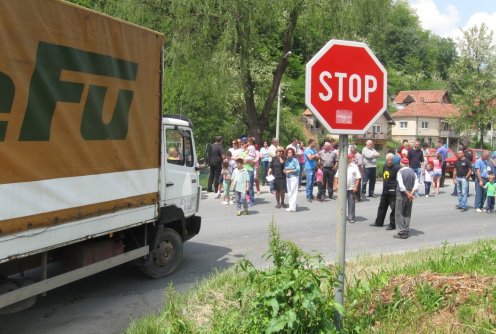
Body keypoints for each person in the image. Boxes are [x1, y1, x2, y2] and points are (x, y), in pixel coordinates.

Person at [371, 153, 400, 229]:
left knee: (393, 208)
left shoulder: (397, 168)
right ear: (386, 160)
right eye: (388, 160)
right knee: (382, 207)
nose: (389, 161)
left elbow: (399, 180)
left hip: (393, 191)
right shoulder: (385, 166)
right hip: (385, 190)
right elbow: (385, 178)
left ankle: (392, 224)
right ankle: (379, 222)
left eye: (391, 160)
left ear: (393, 160)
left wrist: (395, 188)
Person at [394, 158, 419, 239]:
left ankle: (401, 231)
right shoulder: (413, 173)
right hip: (410, 196)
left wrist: (407, 193)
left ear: (401, 163)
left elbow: (401, 185)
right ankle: (406, 230)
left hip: (401, 195)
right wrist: (411, 193)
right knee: (407, 213)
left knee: (399, 213)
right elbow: (416, 185)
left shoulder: (400, 172)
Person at [333, 154, 361, 223]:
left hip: (351, 188)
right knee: (341, 203)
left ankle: (351, 217)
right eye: (346, 158)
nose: (347, 159)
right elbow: (336, 177)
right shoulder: (342, 165)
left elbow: (358, 178)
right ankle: (341, 217)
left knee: (351, 203)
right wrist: (335, 186)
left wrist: (356, 186)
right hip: (342, 188)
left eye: (348, 158)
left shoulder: (354, 166)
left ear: (351, 159)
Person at [284, 147, 300, 212]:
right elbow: (285, 168)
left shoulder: (295, 160)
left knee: (293, 192)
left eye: (290, 152)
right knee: (289, 193)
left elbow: (298, 169)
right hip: (288, 177)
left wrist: (290, 171)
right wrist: (285, 170)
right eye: (288, 152)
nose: (289, 153)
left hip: (294, 177)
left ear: (293, 153)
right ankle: (290, 207)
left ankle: (293, 208)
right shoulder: (287, 160)